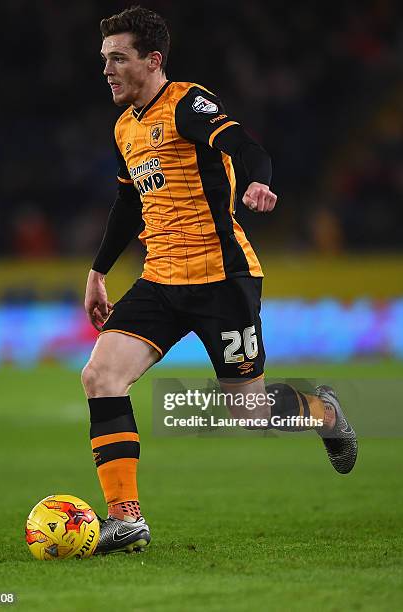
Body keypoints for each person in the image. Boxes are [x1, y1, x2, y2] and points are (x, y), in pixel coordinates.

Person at [81, 6, 357, 555]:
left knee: (248, 412)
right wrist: (97, 273)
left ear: (152, 60)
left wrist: (259, 182)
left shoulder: (186, 103)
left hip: (221, 278)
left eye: (118, 58)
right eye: (104, 59)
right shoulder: (124, 127)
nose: (107, 70)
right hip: (159, 279)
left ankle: (324, 412)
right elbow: (128, 202)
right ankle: (125, 516)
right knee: (100, 375)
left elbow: (247, 147)